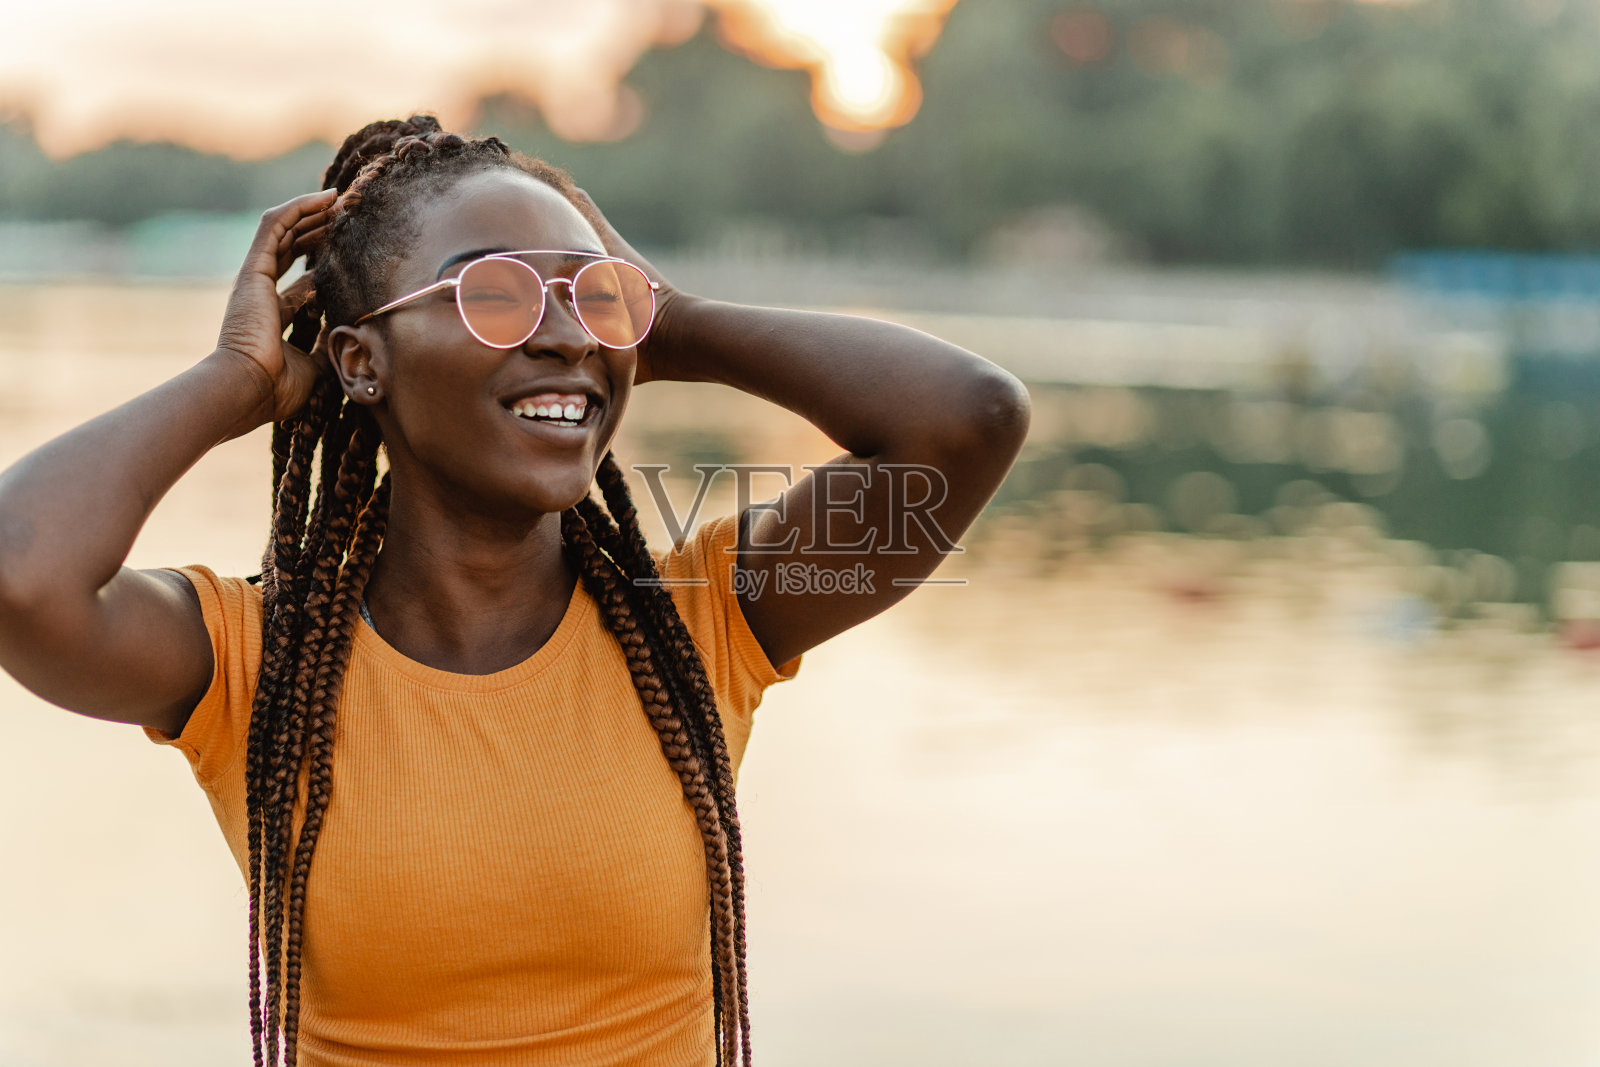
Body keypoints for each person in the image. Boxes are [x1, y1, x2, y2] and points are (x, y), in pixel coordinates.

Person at [0, 115, 1030, 1067]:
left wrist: (675, 323)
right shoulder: (253, 658)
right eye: (496, 296)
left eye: (594, 297)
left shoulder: (704, 614)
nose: (569, 336)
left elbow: (968, 419)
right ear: (361, 359)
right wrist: (236, 379)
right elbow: (20, 575)